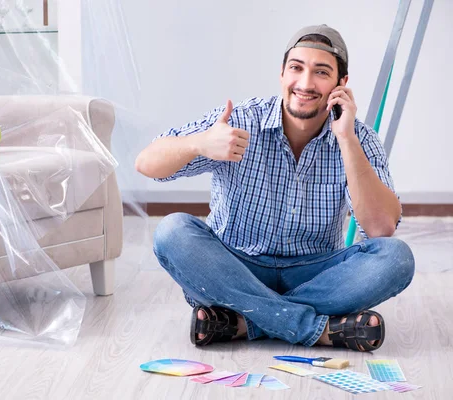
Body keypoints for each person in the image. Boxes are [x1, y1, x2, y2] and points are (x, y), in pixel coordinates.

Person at [135, 25, 415, 352]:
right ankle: (315, 327)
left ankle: (246, 321)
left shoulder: (358, 138)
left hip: (315, 274)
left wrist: (347, 140)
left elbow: (381, 227)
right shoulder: (241, 120)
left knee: (397, 258)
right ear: (282, 74)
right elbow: (146, 162)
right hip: (235, 267)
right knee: (171, 231)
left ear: (342, 85)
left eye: (321, 72)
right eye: (296, 68)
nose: (306, 83)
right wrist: (199, 144)